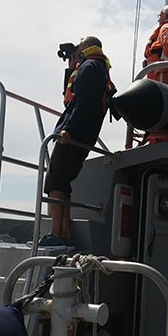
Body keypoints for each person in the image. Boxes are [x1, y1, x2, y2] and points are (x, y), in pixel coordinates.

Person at [41, 36, 114, 246]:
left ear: (86, 47)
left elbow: (81, 103)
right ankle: (63, 234)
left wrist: (66, 130)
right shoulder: (98, 67)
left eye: (79, 45)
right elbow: (71, 97)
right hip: (86, 132)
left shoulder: (89, 67)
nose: (76, 48)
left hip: (75, 133)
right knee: (64, 182)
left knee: (55, 179)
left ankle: (57, 234)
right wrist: (71, 66)